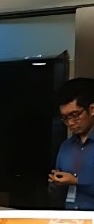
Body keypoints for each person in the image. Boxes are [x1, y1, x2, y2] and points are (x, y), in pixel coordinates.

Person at [48, 77, 94, 209]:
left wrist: (77, 181)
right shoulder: (66, 147)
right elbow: (56, 195)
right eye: (65, 118)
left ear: (92, 109)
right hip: (70, 216)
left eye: (75, 115)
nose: (70, 122)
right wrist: (55, 183)